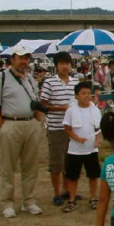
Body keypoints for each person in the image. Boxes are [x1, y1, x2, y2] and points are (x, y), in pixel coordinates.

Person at [0, 46, 45, 218]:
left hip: (30, 124)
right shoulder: (1, 77)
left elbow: (35, 101)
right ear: (12, 59)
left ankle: (29, 200)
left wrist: (37, 121)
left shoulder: (30, 79)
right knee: (8, 166)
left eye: (26, 58)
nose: (24, 61)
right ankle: (8, 202)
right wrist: (2, 124)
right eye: (20, 58)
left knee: (31, 166)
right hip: (10, 123)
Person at [40, 51, 76, 206]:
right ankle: (56, 193)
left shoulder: (75, 82)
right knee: (56, 163)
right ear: (56, 66)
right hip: (56, 127)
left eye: (67, 63)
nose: (65, 66)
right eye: (62, 63)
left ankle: (67, 190)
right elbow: (43, 104)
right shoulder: (50, 82)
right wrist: (62, 108)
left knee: (70, 162)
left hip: (73, 128)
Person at [62, 82, 102, 213]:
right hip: (75, 149)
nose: (86, 96)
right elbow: (67, 128)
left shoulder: (95, 110)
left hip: (91, 149)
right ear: (76, 96)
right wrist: (77, 138)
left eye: (88, 93)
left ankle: (94, 198)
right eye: (83, 93)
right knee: (73, 176)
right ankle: (72, 199)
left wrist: (97, 140)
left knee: (93, 175)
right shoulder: (71, 110)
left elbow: (98, 129)